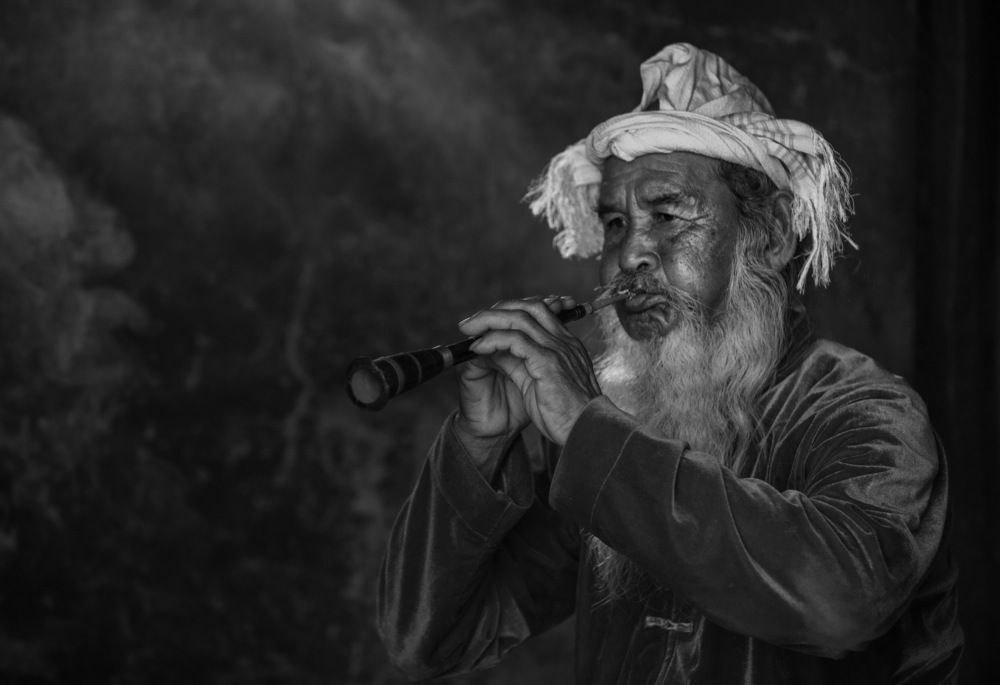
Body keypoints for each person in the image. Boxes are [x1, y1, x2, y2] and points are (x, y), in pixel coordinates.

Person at [375, 43, 963, 684]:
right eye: (616, 224)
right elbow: (428, 640)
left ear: (764, 240)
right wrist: (478, 449)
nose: (631, 255)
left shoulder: (866, 411)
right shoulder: (626, 421)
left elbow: (839, 607)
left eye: (667, 215)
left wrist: (588, 432)